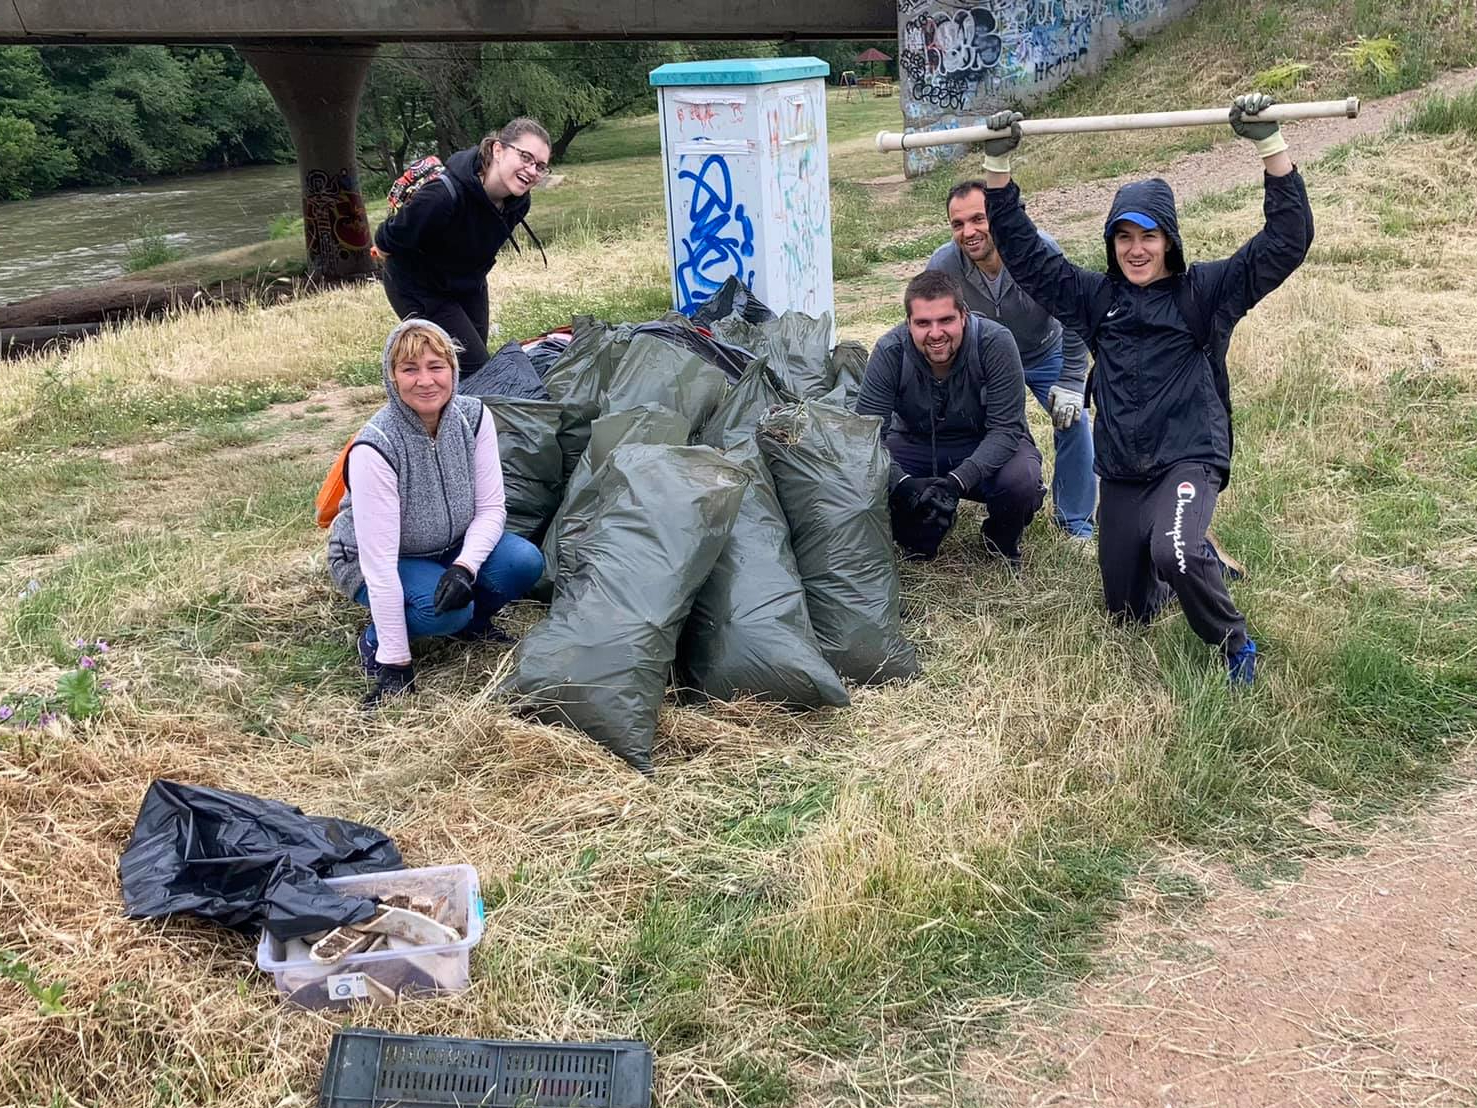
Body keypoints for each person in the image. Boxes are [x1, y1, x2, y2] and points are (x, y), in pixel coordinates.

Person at [978, 93, 1314, 685]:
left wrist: (1270, 146)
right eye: (1124, 236)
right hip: (1125, 468)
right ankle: (1192, 552)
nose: (1136, 249)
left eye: (1149, 236)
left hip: (1188, 454)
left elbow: (1286, 241)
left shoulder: (1204, 294)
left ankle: (1233, 640)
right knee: (1126, 612)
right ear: (1111, 242)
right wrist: (999, 174)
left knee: (1173, 551)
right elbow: (1027, 257)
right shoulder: (1095, 298)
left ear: (1170, 241)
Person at [327, 318, 546, 707]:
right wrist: (395, 663)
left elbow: (492, 508)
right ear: (392, 377)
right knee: (443, 614)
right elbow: (378, 564)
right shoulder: (375, 447)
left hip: (449, 546)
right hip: (377, 558)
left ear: (453, 370)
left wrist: (464, 568)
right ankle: (376, 639)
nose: (425, 381)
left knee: (523, 561)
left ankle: (472, 623)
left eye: (436, 367)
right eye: (410, 369)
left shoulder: (475, 418)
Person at [927, 181, 1096, 539]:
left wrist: (1070, 381)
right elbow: (928, 321)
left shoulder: (1039, 250)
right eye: (958, 225)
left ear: (999, 217)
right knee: (970, 425)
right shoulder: (943, 266)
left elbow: (1076, 314)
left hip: (1043, 349)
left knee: (1074, 419)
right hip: (982, 359)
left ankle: (1075, 523)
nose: (969, 232)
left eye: (978, 219)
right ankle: (973, 496)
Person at [857, 269, 1045, 564]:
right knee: (865, 475)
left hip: (983, 442)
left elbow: (1006, 430)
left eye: (945, 320)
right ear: (908, 324)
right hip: (914, 444)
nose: (935, 333)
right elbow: (865, 436)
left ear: (964, 316)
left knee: (1021, 480)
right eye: (922, 323)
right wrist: (903, 484)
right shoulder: (889, 350)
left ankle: (1000, 539)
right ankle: (918, 536)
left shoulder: (996, 343)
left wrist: (957, 482)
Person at [373, 118, 552, 377]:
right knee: (472, 368)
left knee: (472, 369)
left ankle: (459, 414)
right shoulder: (442, 196)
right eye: (525, 157)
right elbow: (385, 240)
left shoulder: (518, 203)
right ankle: (416, 408)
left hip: (468, 283)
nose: (532, 170)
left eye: (540, 166)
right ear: (498, 150)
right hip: (417, 286)